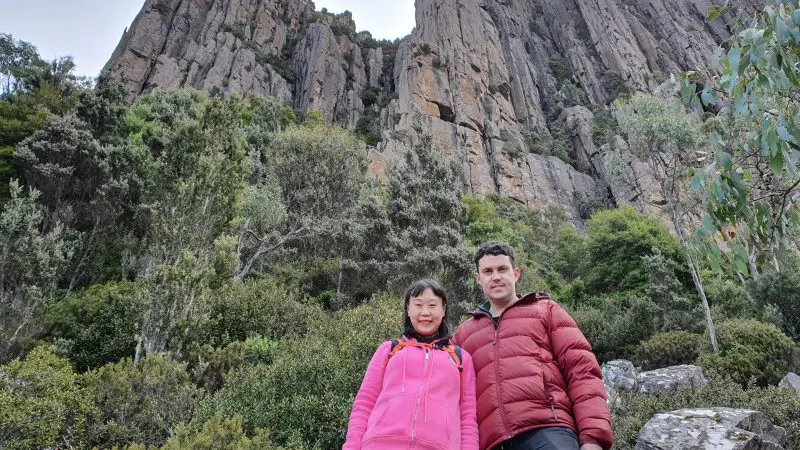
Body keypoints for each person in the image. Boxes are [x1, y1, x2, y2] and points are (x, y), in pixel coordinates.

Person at [453, 242, 612, 450]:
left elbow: (582, 371)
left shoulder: (546, 311)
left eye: (502, 269)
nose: (496, 277)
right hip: (493, 442)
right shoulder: (464, 334)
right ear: (478, 279)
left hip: (548, 431)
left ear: (516, 273)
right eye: (488, 271)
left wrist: (593, 438)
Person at [343, 278, 479, 450]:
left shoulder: (460, 358)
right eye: (418, 305)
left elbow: (468, 419)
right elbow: (364, 404)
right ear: (408, 309)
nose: (425, 312)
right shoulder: (390, 349)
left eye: (432, 305)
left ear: (443, 310)